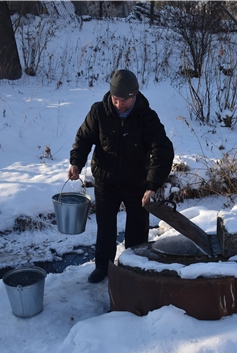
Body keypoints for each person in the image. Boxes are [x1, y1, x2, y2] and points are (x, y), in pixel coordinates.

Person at [68, 69, 174, 283]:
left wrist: (152, 184)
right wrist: (76, 162)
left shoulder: (146, 117)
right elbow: (83, 138)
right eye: (116, 99)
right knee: (105, 227)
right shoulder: (99, 112)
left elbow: (162, 149)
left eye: (124, 100)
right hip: (106, 181)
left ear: (134, 96)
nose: (119, 104)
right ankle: (103, 268)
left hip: (137, 182)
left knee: (137, 228)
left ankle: (134, 270)